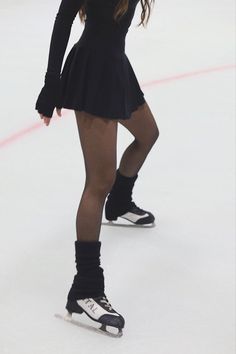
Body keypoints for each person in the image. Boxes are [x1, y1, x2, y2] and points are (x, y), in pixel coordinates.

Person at [35, 0, 159, 336]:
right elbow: (63, 18)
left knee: (148, 134)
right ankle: (85, 290)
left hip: (116, 64)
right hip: (94, 68)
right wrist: (52, 83)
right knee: (98, 181)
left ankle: (120, 203)